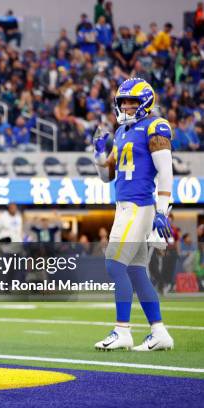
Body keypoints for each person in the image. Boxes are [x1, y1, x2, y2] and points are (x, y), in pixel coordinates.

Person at [92, 78, 174, 351]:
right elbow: (107, 177)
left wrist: (163, 211)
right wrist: (98, 155)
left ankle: (122, 330)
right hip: (124, 206)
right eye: (123, 101)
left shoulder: (155, 126)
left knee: (114, 264)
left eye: (132, 102)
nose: (126, 106)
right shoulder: (121, 131)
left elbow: (165, 171)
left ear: (146, 103)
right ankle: (159, 332)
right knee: (138, 272)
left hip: (139, 206)